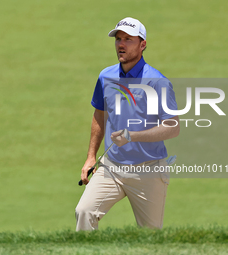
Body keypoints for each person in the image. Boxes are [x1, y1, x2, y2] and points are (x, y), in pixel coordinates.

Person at [75, 17, 180, 231]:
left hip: (148, 171)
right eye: (118, 39)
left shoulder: (157, 82)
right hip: (111, 167)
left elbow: (173, 127)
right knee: (84, 212)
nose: (121, 44)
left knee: (150, 236)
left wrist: (133, 135)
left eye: (128, 39)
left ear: (143, 45)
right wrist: (90, 157)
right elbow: (99, 114)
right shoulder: (106, 76)